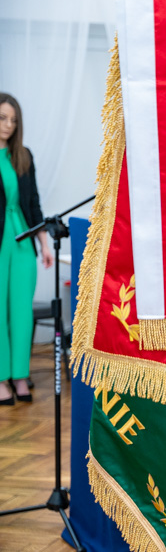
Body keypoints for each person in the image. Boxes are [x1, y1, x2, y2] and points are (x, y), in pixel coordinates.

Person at [0, 93, 52, 406]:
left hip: (22, 239)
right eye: (3, 118)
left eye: (13, 120)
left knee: (21, 312)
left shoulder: (24, 156)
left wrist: (44, 244)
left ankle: (20, 375)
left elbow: (34, 204)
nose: (8, 125)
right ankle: (1, 377)